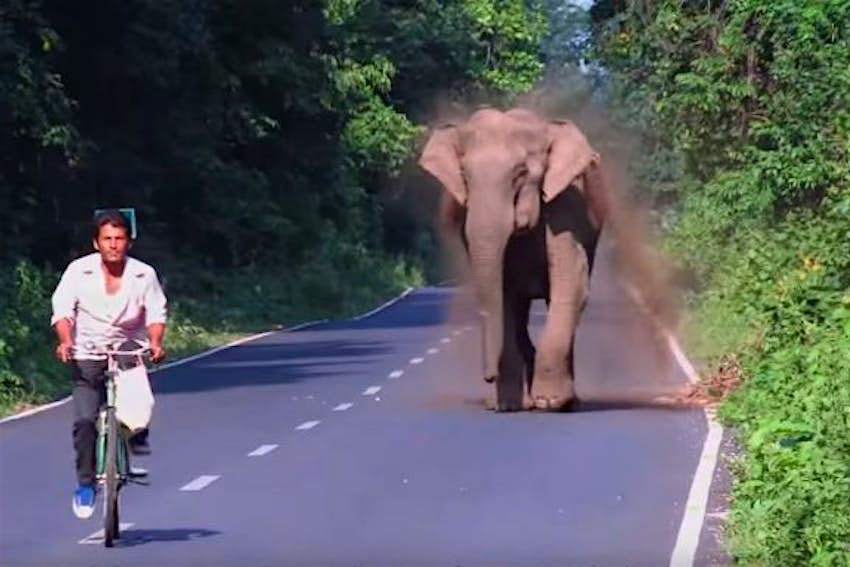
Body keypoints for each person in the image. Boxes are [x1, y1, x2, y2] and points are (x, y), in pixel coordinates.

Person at [51, 209, 167, 519]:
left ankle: (130, 438)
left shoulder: (144, 274)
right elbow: (63, 309)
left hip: (128, 349)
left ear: (128, 242)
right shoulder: (78, 272)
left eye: (119, 238)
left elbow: (156, 313)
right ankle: (86, 485)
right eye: (107, 239)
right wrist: (65, 340)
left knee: (139, 409)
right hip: (87, 349)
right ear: (96, 243)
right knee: (84, 421)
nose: (113, 245)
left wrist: (155, 343)